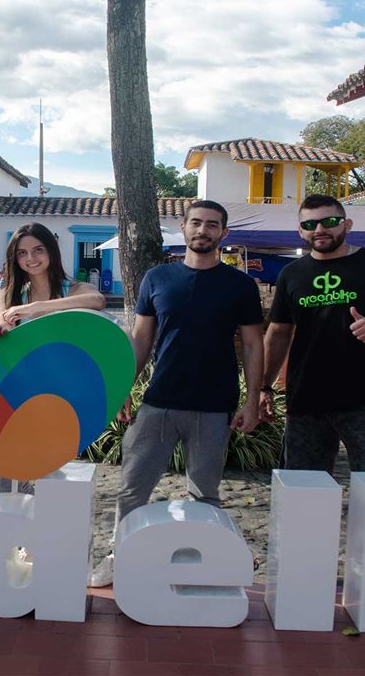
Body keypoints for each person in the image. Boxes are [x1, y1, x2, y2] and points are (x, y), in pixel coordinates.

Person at [89, 201, 264, 587]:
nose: (203, 230)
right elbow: (141, 338)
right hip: (158, 403)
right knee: (132, 490)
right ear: (183, 228)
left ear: (224, 234)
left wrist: (252, 400)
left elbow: (253, 345)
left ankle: (198, 564)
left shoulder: (240, 285)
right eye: (196, 223)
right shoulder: (157, 278)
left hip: (214, 407)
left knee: (204, 495)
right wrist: (123, 388)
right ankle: (120, 556)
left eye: (212, 225)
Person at [260, 195, 365, 475]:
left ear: (346, 224)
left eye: (330, 221)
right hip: (307, 398)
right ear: (300, 231)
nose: (319, 229)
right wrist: (264, 387)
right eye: (310, 224)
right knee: (303, 488)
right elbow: (278, 333)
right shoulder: (292, 274)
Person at [0, 222, 107, 494]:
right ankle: (13, 527)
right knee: (6, 470)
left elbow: (97, 300)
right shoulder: (9, 293)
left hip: (59, 393)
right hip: (17, 389)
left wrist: (37, 307)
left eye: (38, 250)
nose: (31, 259)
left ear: (51, 251)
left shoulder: (73, 289)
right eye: (22, 253)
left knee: (50, 471)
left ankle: (47, 530)